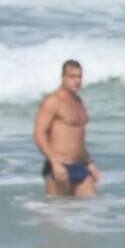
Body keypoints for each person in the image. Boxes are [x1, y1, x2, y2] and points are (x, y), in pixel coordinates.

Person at [34, 59, 100, 197]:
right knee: (59, 214)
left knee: (91, 212)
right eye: (72, 76)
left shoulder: (78, 101)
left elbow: (77, 138)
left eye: (79, 77)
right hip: (59, 166)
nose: (76, 81)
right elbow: (39, 135)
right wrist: (54, 162)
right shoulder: (53, 101)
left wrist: (90, 162)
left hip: (80, 166)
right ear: (63, 77)